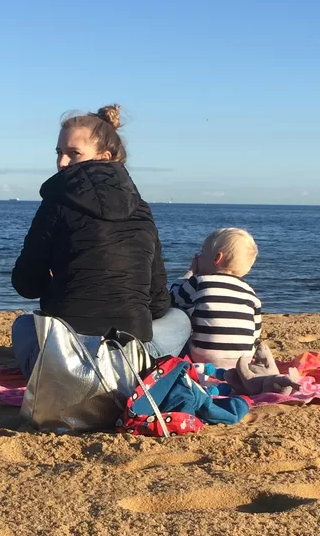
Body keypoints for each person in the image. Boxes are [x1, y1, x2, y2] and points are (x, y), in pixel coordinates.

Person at [10, 106, 190, 377]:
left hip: (67, 364)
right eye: (59, 153)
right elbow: (156, 302)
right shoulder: (141, 210)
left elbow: (26, 284)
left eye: (73, 153)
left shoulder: (55, 204)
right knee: (179, 319)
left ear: (105, 157)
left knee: (23, 325)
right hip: (131, 363)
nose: (62, 163)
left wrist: (59, 286)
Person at [169, 227, 262, 369]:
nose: (198, 257)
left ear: (217, 258)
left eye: (202, 252)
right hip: (243, 360)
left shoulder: (200, 281)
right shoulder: (250, 293)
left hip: (203, 356)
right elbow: (256, 332)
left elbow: (174, 297)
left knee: (179, 317)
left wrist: (190, 273)